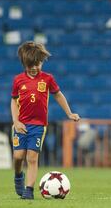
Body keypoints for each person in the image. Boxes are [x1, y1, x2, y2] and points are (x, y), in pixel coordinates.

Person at [11, 42, 80, 200]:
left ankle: (29, 190)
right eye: (30, 65)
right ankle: (18, 176)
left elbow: (58, 95)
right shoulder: (18, 80)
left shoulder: (48, 78)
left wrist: (69, 113)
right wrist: (16, 121)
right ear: (24, 63)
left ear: (41, 61)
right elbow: (14, 101)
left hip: (38, 126)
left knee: (32, 158)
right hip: (20, 124)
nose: (34, 68)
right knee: (18, 157)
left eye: (37, 64)